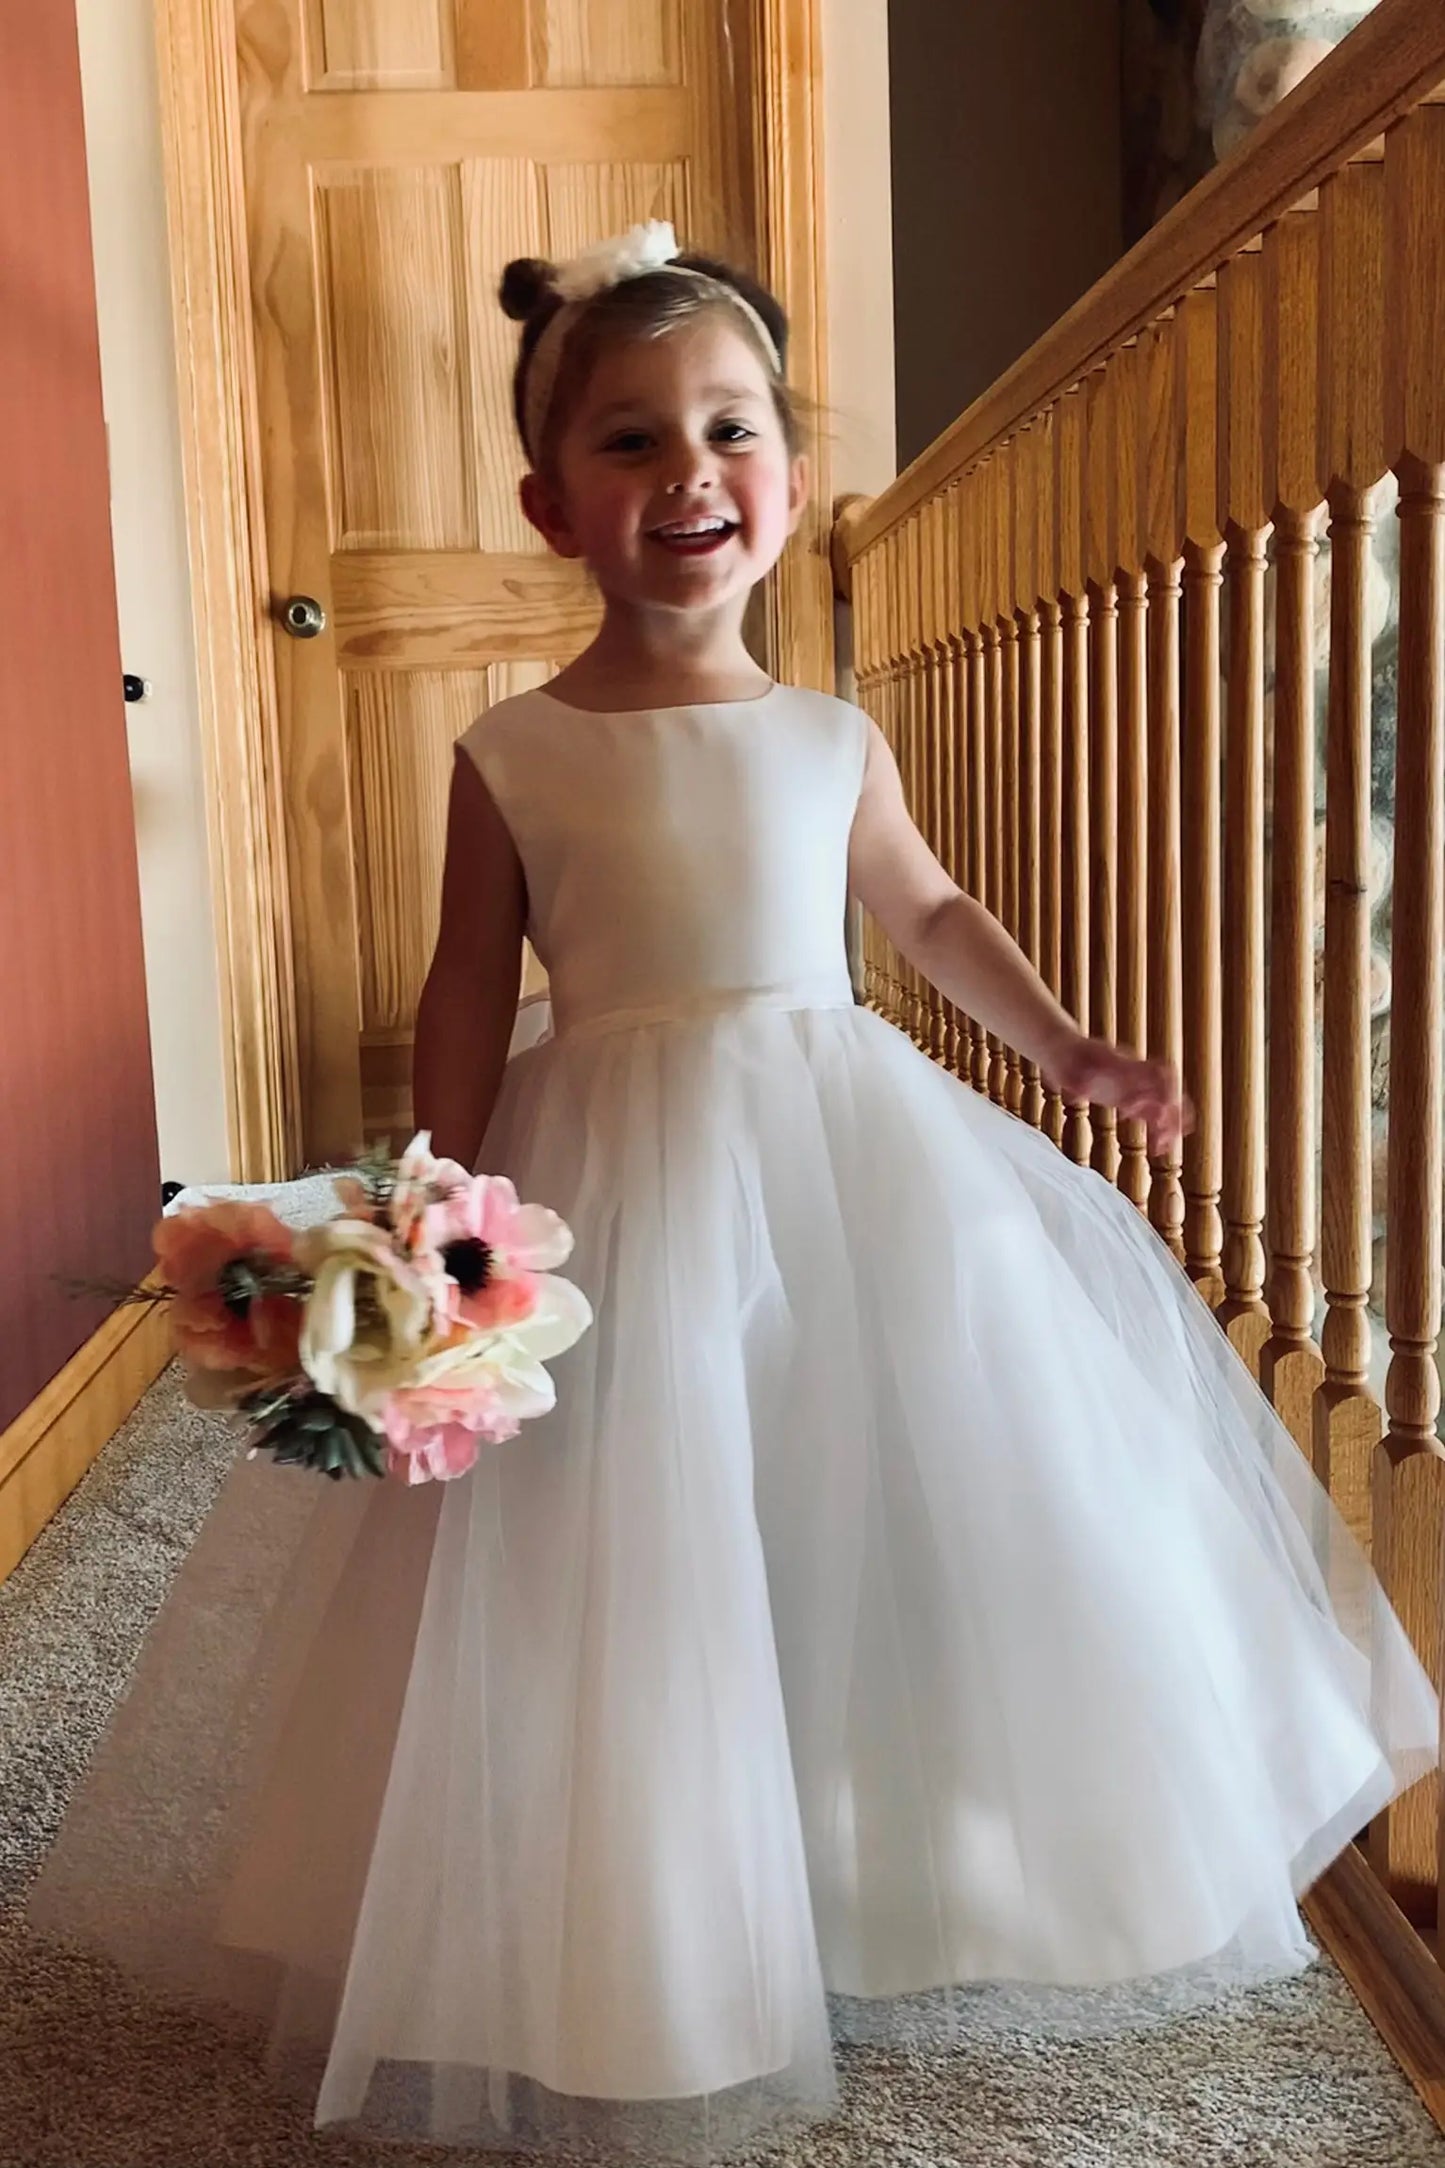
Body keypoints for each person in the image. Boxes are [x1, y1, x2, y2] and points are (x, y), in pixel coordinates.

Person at [25, 224, 1436, 2165]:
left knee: (885, 1487)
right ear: (551, 506)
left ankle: (879, 1864)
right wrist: (435, 1194)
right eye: (629, 439)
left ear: (789, 475)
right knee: (642, 1526)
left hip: (846, 1146)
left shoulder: (831, 736)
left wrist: (1065, 1049)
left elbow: (925, 910)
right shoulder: (512, 751)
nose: (688, 470)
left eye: (729, 428)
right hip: (605, 1168)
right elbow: (466, 979)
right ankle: (662, 1916)